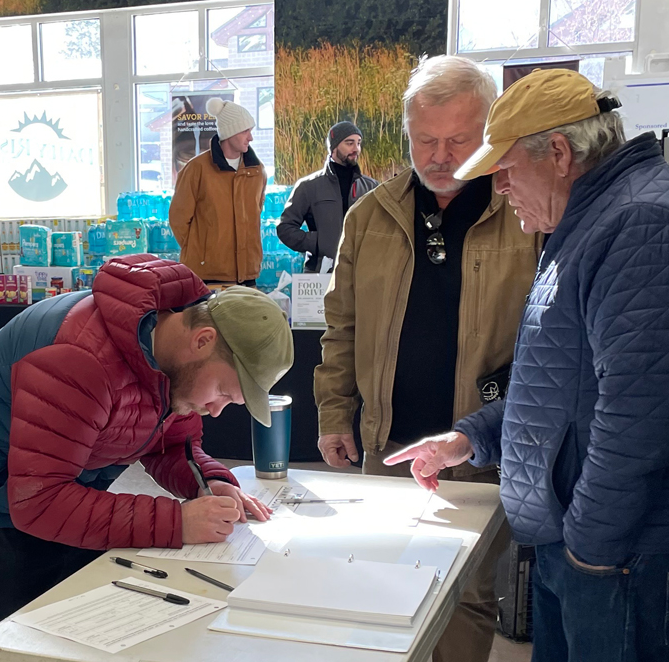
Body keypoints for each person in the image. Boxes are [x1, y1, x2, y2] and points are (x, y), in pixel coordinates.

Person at [386, 69, 669, 662]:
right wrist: (470, 438)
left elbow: (639, 421)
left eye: (507, 171)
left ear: (561, 153)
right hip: (592, 549)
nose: (501, 188)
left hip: (622, 561)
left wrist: (587, 552)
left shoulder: (643, 225)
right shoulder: (592, 220)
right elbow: (564, 388)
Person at [0, 254, 293, 662]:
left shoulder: (170, 347)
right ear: (202, 341)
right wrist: (178, 522)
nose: (216, 411)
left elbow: (168, 439)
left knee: (66, 639)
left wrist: (207, 482)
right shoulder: (80, 358)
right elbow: (40, 502)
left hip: (50, 484)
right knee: (8, 648)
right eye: (223, 392)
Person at [314, 56, 543, 662]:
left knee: (466, 596)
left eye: (458, 140)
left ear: (491, 132)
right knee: (380, 585)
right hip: (388, 442)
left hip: (479, 450)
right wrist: (333, 413)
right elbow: (342, 328)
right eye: (425, 140)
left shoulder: (526, 217)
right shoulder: (370, 218)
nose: (439, 155)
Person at [169, 98, 266, 286]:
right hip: (207, 276)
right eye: (245, 131)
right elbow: (178, 219)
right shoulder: (196, 169)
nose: (250, 138)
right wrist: (201, 252)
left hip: (248, 275)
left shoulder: (256, 170)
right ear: (230, 132)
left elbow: (255, 214)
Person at [277, 121, 379, 272]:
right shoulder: (309, 186)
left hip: (362, 273)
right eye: (349, 143)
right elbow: (285, 228)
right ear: (334, 147)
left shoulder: (372, 187)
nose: (356, 149)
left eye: (358, 143)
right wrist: (317, 243)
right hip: (320, 274)